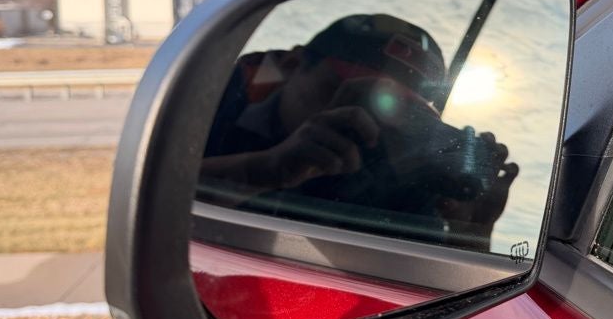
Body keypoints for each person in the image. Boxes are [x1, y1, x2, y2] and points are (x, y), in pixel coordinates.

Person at [199, 14, 518, 251]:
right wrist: (267, 168)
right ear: (294, 64)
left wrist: (472, 235)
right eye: (349, 94)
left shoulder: (401, 180)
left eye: (400, 113)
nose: (366, 120)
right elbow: (158, 195)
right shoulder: (213, 103)